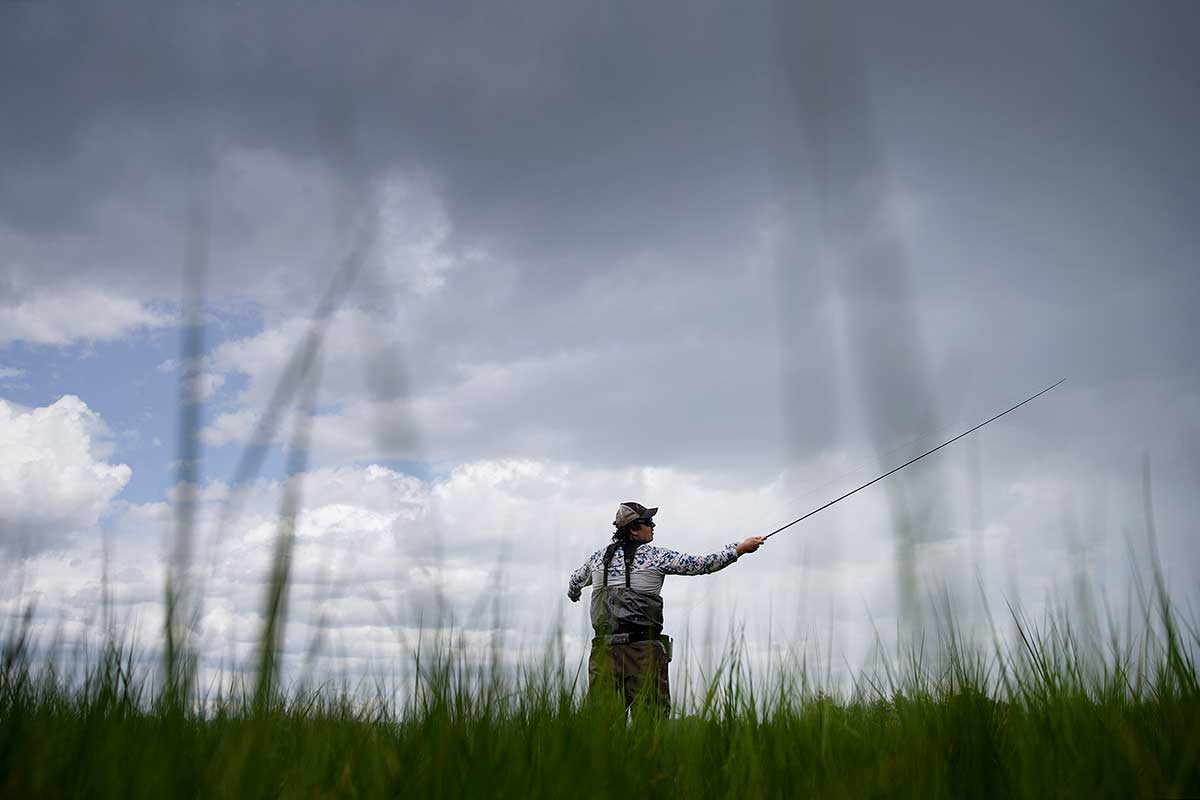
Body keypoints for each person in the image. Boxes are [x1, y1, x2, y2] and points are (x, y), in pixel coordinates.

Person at [566, 501, 765, 715]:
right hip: (642, 652)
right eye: (648, 522)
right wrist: (740, 549)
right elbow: (702, 564)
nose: (653, 526)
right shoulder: (655, 557)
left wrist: (575, 594)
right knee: (651, 723)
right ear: (633, 529)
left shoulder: (597, 560)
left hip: (603, 653)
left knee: (600, 727)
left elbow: (575, 582)